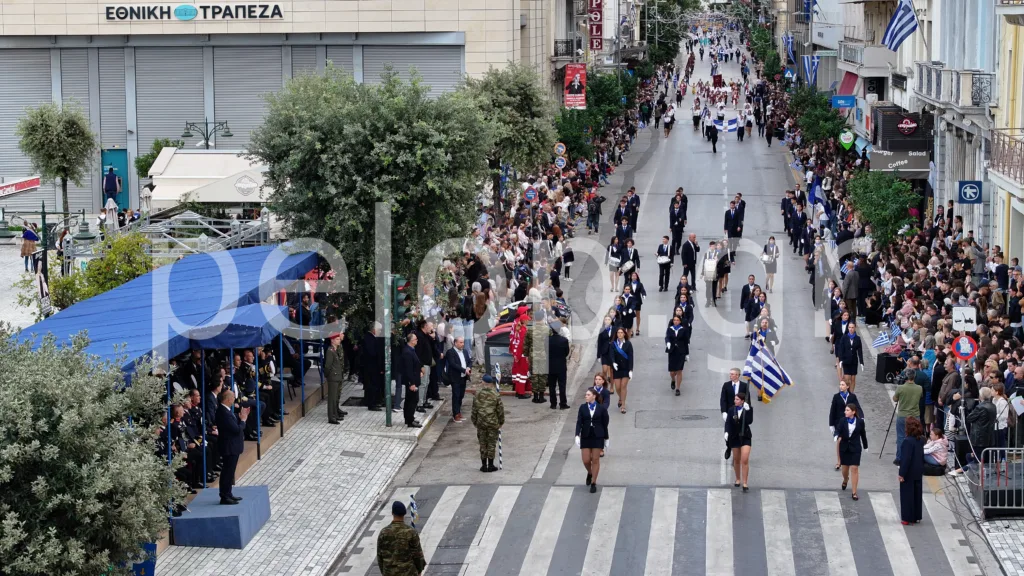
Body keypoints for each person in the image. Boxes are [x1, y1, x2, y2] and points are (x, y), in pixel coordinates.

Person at [215, 389, 248, 505]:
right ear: (228, 399)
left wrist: (240, 418)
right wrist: (243, 420)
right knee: (227, 471)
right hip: (229, 446)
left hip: (232, 446)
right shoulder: (223, 412)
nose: (234, 399)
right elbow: (236, 429)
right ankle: (224, 495)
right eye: (233, 397)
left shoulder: (227, 411)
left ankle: (228, 493)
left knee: (230, 471)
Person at [575, 387, 610, 494]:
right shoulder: (582, 407)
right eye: (586, 395)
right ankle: (590, 473)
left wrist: (606, 438)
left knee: (595, 459)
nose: (586, 396)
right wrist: (577, 435)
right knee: (586, 460)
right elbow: (579, 422)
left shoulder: (601, 408)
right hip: (586, 435)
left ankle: (594, 482)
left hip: (597, 436)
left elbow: (605, 424)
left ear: (594, 396)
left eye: (588, 395)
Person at [376, 501, 426, 575]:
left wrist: (384, 572)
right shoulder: (411, 532)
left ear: (392, 513)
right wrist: (419, 570)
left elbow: (380, 556)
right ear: (404, 513)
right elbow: (418, 555)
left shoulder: (383, 532)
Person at [472, 374, 505, 472]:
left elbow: (474, 410)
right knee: (491, 444)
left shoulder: (477, 394)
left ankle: (483, 466)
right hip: (492, 423)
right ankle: (490, 465)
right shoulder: (496, 395)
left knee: (482, 444)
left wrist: (475, 421)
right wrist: (501, 422)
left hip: (481, 422)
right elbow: (500, 410)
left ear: (483, 382)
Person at [835, 403, 868, 501]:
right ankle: (846, 479)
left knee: (854, 468)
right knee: (845, 470)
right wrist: (836, 435)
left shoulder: (860, 422)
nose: (845, 412)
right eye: (845, 410)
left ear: (853, 412)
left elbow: (863, 434)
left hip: (855, 448)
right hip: (844, 448)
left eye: (847, 410)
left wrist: (865, 446)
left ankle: (854, 492)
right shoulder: (842, 420)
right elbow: (838, 429)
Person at [898, 417, 926, 525]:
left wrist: (901, 474)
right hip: (918, 470)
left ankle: (907, 517)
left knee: (907, 495)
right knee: (917, 494)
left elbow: (906, 459)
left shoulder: (907, 441)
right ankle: (916, 516)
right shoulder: (920, 440)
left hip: (909, 472)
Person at [892, 370, 923, 466]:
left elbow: (895, 399)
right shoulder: (919, 388)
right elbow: (920, 397)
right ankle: (913, 457)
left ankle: (899, 458)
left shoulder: (901, 388)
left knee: (901, 437)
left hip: (903, 415)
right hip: (915, 416)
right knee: (915, 437)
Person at [720, 368, 752, 459]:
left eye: (732, 374)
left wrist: (747, 409)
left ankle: (739, 447)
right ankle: (728, 446)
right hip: (730, 412)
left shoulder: (744, 386)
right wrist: (724, 411)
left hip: (740, 411)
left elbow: (747, 399)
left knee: (739, 430)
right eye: (730, 374)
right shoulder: (726, 385)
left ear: (737, 375)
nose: (730, 375)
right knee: (728, 431)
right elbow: (723, 399)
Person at [725, 391, 753, 491]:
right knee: (736, 459)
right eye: (735, 399)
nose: (735, 401)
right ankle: (738, 479)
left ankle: (745, 482)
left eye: (737, 399)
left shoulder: (748, 409)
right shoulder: (731, 410)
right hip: (735, 437)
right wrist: (726, 432)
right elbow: (728, 423)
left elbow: (749, 421)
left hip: (745, 436)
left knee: (744, 459)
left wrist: (748, 410)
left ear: (742, 401)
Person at [444, 336, 472, 422]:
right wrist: (464, 370)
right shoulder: (450, 352)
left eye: (463, 342)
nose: (462, 344)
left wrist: (468, 367)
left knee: (461, 395)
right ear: (455, 343)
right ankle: (455, 414)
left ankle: (458, 412)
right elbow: (453, 364)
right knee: (456, 395)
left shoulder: (465, 351)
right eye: (461, 342)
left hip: (463, 377)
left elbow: (469, 361)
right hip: (455, 377)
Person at [400, 333, 423, 428]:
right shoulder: (407, 352)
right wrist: (411, 383)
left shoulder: (411, 350)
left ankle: (409, 418)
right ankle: (410, 420)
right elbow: (408, 369)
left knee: (410, 399)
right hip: (411, 381)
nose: (417, 340)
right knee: (413, 400)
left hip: (414, 379)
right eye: (416, 339)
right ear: (412, 341)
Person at [665, 315, 691, 396]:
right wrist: (668, 342)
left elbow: (686, 342)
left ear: (680, 321)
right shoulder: (670, 329)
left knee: (679, 370)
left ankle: (678, 388)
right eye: (674, 320)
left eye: (677, 320)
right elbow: (667, 337)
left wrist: (687, 354)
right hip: (672, 351)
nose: (675, 321)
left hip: (681, 352)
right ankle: (673, 379)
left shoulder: (683, 330)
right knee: (672, 371)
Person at [548, 321, 571, 409]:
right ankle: (563, 403)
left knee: (552, 386)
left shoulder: (547, 340)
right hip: (561, 365)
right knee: (562, 385)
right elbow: (566, 352)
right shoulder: (564, 340)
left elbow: (546, 351)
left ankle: (553, 403)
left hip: (550, 365)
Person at [610, 327, 633, 413]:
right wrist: (613, 363)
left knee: (623, 386)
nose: (619, 334)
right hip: (617, 368)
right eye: (618, 333)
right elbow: (611, 354)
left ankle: (623, 405)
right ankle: (620, 397)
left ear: (624, 334)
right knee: (617, 387)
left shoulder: (628, 344)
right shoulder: (613, 344)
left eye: (621, 333)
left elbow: (631, 357)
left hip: (625, 368)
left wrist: (630, 370)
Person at [836, 322, 864, 393]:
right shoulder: (844, 337)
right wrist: (841, 360)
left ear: (855, 328)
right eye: (849, 327)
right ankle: (845, 392)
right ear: (848, 328)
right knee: (847, 378)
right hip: (846, 360)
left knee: (853, 379)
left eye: (852, 327)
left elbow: (860, 351)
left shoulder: (857, 338)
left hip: (854, 361)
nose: (851, 329)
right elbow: (841, 349)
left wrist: (861, 362)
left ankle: (851, 394)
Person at [324, 332, 345, 424]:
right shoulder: (330, 351)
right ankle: (331, 417)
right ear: (332, 340)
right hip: (333, 377)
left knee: (335, 397)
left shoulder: (335, 350)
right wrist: (328, 375)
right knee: (332, 398)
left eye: (339, 339)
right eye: (337, 339)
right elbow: (327, 366)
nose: (339, 341)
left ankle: (335, 415)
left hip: (337, 376)